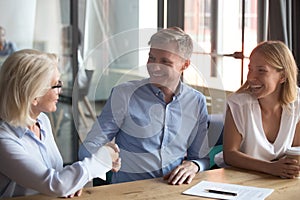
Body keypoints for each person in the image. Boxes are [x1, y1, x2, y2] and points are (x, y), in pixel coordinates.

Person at [79, 27, 210, 185]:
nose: (154, 67)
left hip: (173, 190)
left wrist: (194, 165)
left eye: (165, 62)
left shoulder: (197, 102)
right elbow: (90, 145)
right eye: (152, 58)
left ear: (185, 65)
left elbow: (201, 158)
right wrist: (102, 159)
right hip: (129, 190)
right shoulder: (124, 94)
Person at [0, 49, 121, 198]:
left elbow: (56, 176)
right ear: (34, 96)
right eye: (56, 85)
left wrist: (73, 182)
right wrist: (102, 158)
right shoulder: (4, 140)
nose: (60, 90)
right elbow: (55, 184)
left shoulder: (42, 121)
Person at [223, 40, 300, 179]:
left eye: (261, 70)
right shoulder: (238, 104)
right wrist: (271, 168)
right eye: (250, 69)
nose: (251, 77)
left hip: (278, 180)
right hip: (239, 177)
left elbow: (296, 150)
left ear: (282, 76)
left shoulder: (297, 104)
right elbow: (230, 154)